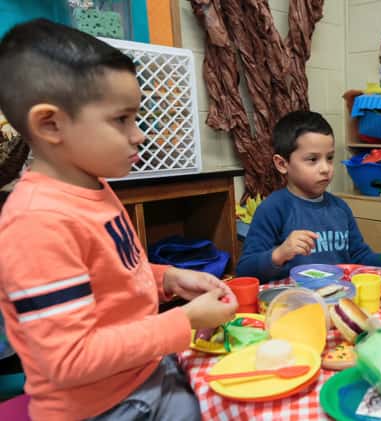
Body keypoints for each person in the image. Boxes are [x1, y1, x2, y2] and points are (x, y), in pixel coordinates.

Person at [0, 20, 238, 420]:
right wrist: (183, 321)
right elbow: (70, 359)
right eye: (122, 120)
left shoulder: (93, 187)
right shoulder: (37, 223)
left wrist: (166, 279)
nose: (140, 134)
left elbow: (109, 275)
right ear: (50, 124)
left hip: (146, 373)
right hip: (105, 408)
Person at [236, 111, 381, 283]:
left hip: (339, 298)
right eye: (312, 160)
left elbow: (359, 256)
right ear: (282, 164)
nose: (325, 168)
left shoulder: (340, 208)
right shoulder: (273, 209)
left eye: (329, 158)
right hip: (295, 304)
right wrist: (279, 254)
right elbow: (244, 271)